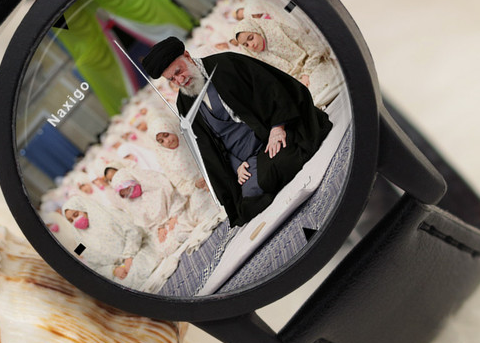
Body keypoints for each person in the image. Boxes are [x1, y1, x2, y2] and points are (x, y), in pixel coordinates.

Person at [141, 36, 332, 226]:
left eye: (179, 71)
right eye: (172, 79)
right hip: (244, 162)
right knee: (246, 203)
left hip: (269, 138)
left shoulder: (226, 64)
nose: (180, 80)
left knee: (283, 162)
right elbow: (209, 148)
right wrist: (236, 166)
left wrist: (277, 127)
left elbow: (270, 87)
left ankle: (265, 176)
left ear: (187, 56)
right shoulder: (184, 104)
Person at [233, 16, 342, 107]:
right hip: (296, 84)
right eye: (246, 45)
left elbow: (314, 49)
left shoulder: (277, 30)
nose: (251, 45)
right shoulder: (254, 58)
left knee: (320, 91)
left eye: (251, 38)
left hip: (314, 66)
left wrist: (306, 74)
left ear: (257, 30)